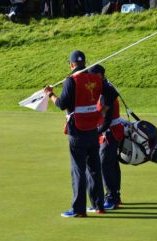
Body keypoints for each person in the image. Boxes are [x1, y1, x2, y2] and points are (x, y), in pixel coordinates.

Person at [44, 51, 113, 218]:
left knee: (78, 170)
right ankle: (98, 205)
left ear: (71, 64)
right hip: (92, 129)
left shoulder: (71, 80)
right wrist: (101, 114)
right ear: (84, 63)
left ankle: (79, 209)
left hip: (77, 131)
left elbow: (61, 104)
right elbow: (111, 94)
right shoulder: (96, 78)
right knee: (95, 169)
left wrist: (50, 94)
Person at [88, 64, 123, 210]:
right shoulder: (105, 88)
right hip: (111, 132)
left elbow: (107, 120)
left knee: (106, 165)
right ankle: (115, 196)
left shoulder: (105, 92)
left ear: (99, 76)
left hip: (109, 134)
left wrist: (92, 133)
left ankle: (111, 198)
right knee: (112, 164)